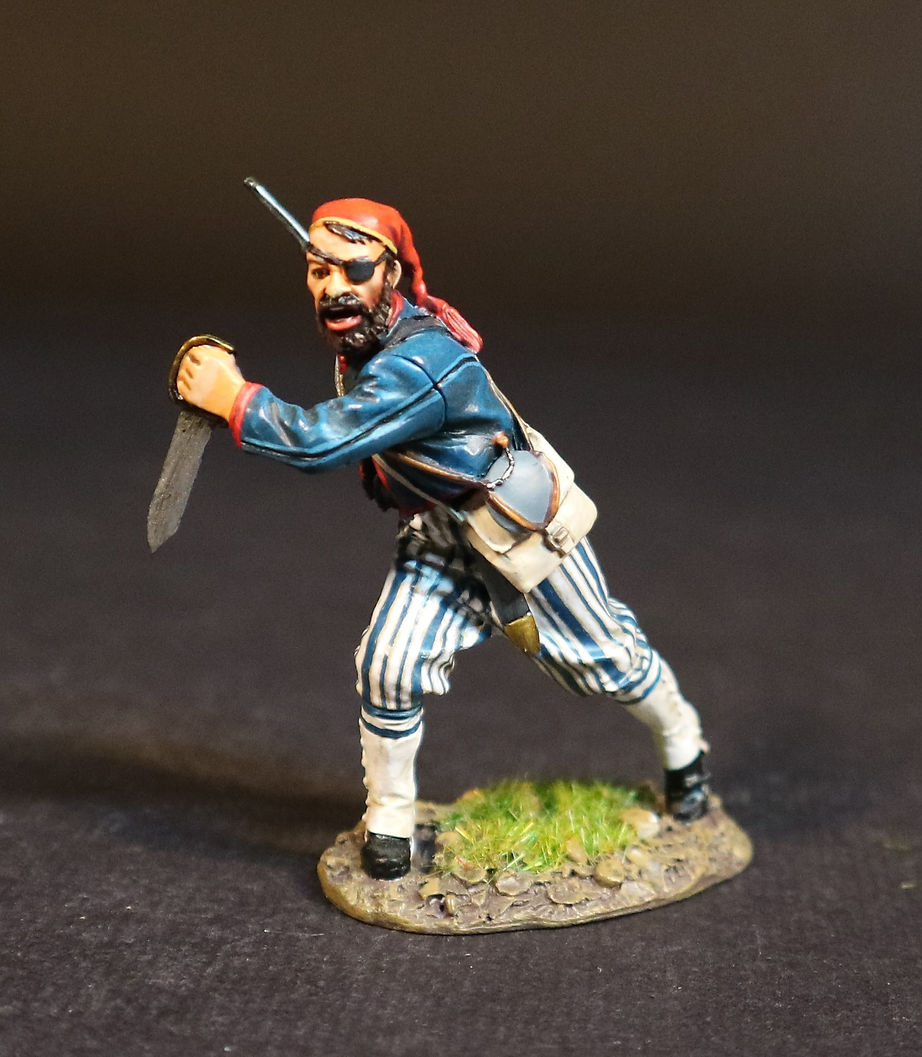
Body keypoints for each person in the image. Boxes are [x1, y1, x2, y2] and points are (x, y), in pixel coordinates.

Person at [176, 196, 711, 880]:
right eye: (317, 270)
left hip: (520, 538)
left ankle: (684, 746)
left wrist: (233, 398)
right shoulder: (366, 341)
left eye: (353, 269)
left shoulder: (422, 362)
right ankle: (390, 818)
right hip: (439, 535)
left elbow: (319, 442)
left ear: (390, 274)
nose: (334, 288)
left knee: (610, 659)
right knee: (388, 664)